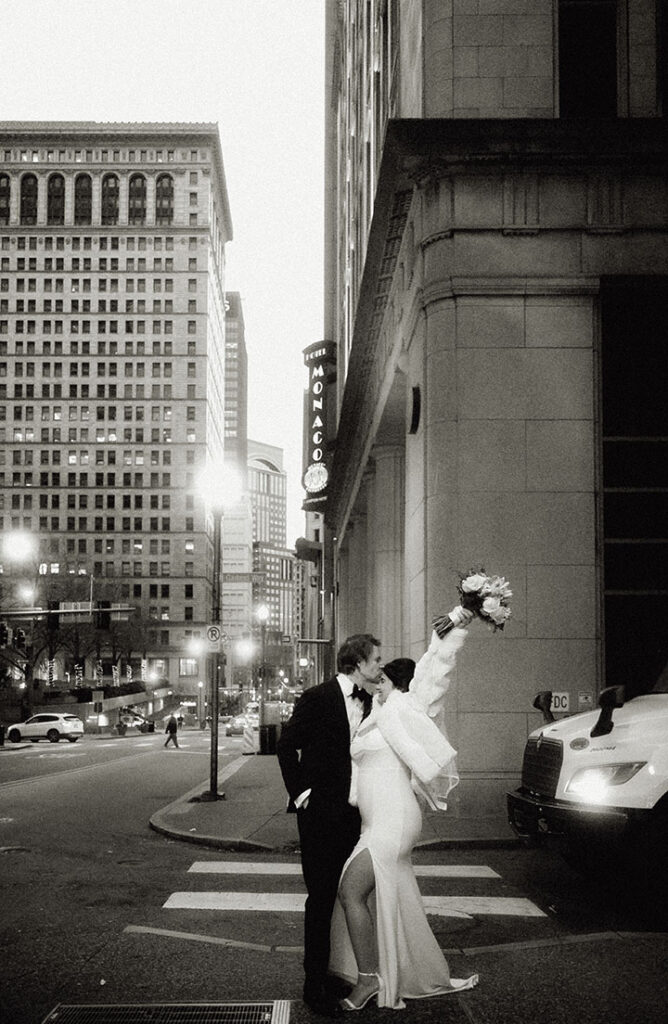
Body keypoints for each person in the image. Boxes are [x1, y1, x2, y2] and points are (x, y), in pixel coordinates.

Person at [329, 607, 479, 1011]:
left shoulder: (407, 706)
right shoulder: (377, 714)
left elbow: (434, 669)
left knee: (350, 891)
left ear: (399, 683)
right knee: (381, 899)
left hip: (393, 822)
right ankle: (391, 972)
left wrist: (456, 623)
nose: (378, 677)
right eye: (375, 667)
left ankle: (368, 981)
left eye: (384, 673)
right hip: (374, 820)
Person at [276, 633, 383, 1018]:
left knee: (347, 899)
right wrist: (303, 797)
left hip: (358, 817)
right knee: (320, 901)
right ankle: (313, 985)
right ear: (356, 662)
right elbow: (287, 745)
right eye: (375, 660)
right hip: (320, 817)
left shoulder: (373, 702)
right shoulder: (318, 698)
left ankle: (339, 972)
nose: (379, 666)